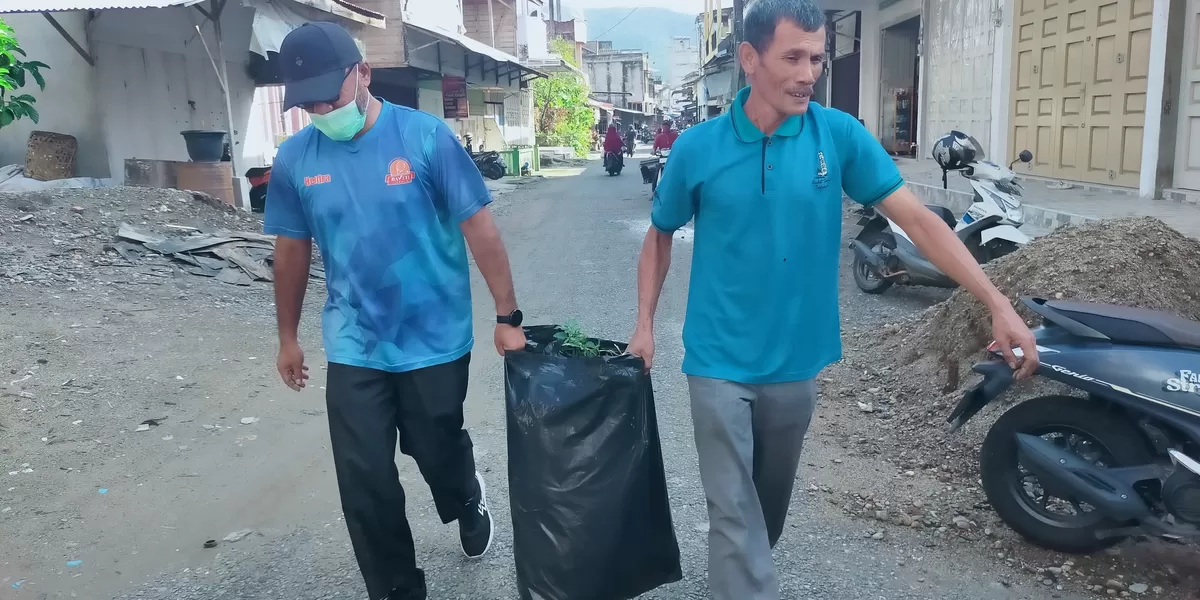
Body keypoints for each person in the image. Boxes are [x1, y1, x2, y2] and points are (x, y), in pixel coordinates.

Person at [624, 1, 1039, 599]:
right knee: (734, 513)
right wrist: (645, 323)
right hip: (716, 359)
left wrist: (996, 301)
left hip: (798, 361)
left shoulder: (837, 135)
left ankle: (739, 573)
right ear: (749, 59)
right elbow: (660, 235)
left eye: (816, 57)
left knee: (762, 512)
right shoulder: (698, 148)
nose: (808, 72)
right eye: (792, 56)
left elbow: (919, 223)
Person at [264, 22, 527, 600]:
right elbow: (289, 250)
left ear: (363, 72)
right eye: (306, 101)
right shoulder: (293, 159)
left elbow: (479, 227)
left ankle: (464, 492)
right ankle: (397, 589)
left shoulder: (425, 138)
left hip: (435, 335)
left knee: (433, 448)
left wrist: (508, 316)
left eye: (328, 94)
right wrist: (288, 336)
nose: (320, 109)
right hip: (355, 340)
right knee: (364, 479)